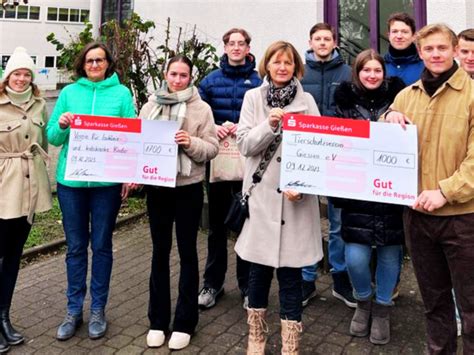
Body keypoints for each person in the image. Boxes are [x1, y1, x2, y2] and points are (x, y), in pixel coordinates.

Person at [383, 23, 474, 354]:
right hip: (418, 218)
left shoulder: (473, 96)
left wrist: (445, 191)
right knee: (434, 304)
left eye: (442, 48)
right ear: (419, 53)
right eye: (428, 49)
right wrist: (387, 118)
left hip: (463, 219)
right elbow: (385, 149)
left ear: (454, 50)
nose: (435, 54)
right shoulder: (406, 97)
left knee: (471, 307)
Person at [235, 41, 323, 354]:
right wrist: (269, 125)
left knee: (291, 278)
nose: (282, 67)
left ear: (296, 67)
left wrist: (305, 186)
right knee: (258, 274)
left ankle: (290, 343)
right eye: (276, 62)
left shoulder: (308, 101)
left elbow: (318, 152)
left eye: (288, 62)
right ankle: (256, 338)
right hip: (261, 201)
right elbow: (244, 145)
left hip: (295, 204)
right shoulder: (252, 98)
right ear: (267, 66)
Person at [47, 42, 135, 341]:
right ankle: (73, 310)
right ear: (82, 65)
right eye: (89, 61)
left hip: (106, 186)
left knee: (101, 246)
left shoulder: (122, 94)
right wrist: (60, 123)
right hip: (71, 184)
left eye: (100, 60)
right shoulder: (70, 93)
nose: (95, 65)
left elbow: (131, 135)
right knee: (74, 248)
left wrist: (128, 175)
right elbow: (53, 137)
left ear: (108, 63)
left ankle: (98, 309)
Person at [139, 55, 218, 350]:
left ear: (190, 77)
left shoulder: (201, 108)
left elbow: (212, 147)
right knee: (159, 253)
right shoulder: (149, 106)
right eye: (173, 74)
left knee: (187, 253)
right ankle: (158, 320)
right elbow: (139, 143)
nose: (177, 80)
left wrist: (190, 143)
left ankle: (185, 322)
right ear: (165, 74)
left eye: (183, 75)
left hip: (188, 188)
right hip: (158, 188)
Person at [332, 49, 405, 345]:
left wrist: (399, 115)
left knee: (390, 254)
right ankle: (363, 301)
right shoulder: (344, 104)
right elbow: (334, 143)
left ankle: (383, 309)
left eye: (377, 70)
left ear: (384, 73)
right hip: (356, 190)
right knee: (356, 257)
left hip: (391, 189)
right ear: (357, 72)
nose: (372, 75)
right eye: (366, 70)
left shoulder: (400, 99)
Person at [197, 28, 261, 310]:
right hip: (219, 163)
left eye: (241, 44)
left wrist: (245, 129)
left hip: (251, 163)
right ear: (224, 47)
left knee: (248, 225)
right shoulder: (210, 81)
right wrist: (215, 127)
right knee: (218, 227)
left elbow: (266, 118)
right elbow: (197, 115)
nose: (236, 48)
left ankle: (248, 286)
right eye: (231, 43)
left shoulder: (259, 81)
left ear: (248, 48)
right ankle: (213, 283)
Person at [0, 47, 52, 353]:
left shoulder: (39, 106)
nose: (21, 79)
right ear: (7, 77)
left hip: (29, 188)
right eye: (16, 73)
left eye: (26, 74)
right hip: (3, 186)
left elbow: (42, 143)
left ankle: (4, 316)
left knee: (14, 256)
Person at [300, 22, 354, 308]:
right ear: (310, 42)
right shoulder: (300, 72)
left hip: (338, 157)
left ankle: (339, 276)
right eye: (317, 38)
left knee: (337, 222)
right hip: (305, 157)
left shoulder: (348, 73)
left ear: (334, 42)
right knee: (306, 218)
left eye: (327, 39)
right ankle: (306, 278)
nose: (322, 43)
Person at [384, 12, 424, 85]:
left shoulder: (425, 65)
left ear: (414, 36)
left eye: (404, 32)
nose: (399, 36)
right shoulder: (379, 65)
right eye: (395, 31)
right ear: (389, 35)